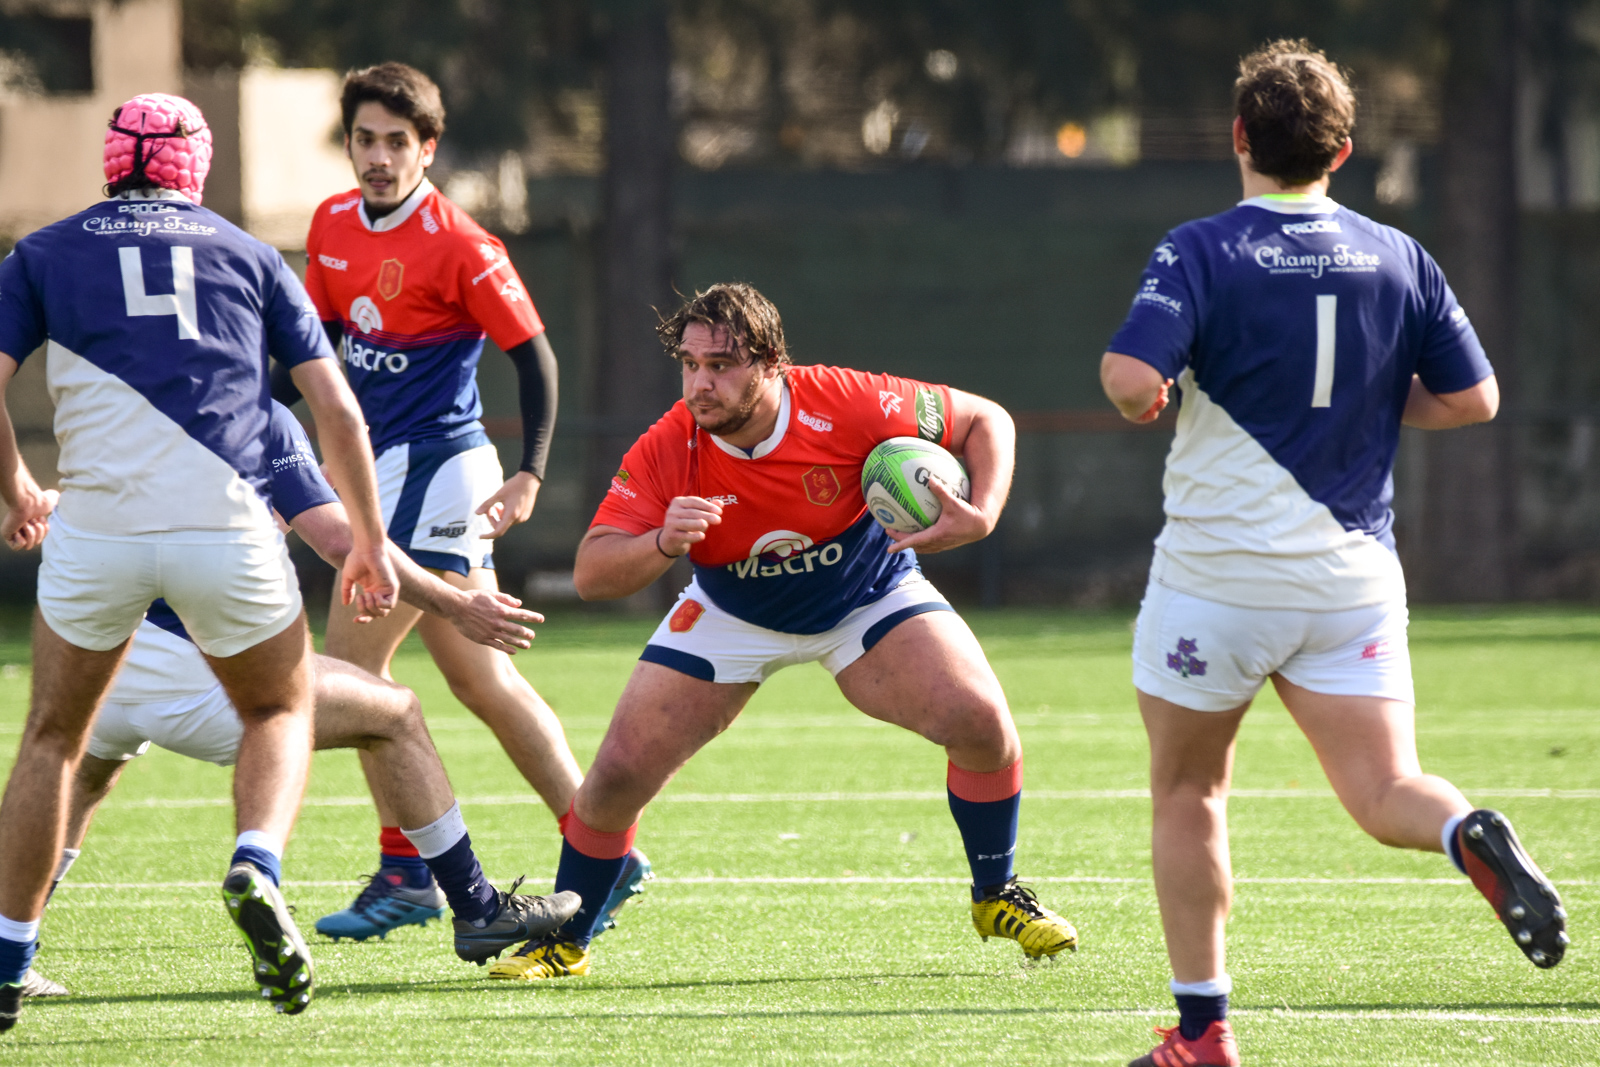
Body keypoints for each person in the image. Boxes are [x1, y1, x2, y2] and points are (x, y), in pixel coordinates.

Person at [1099, 41, 1567, 1067]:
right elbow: (1473, 396)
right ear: (1341, 151)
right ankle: (1463, 830)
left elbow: (1131, 378)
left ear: (1237, 138)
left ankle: (1201, 1033)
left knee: (1188, 793)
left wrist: (1152, 393)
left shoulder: (1200, 248)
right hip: (1350, 579)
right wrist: (1363, 400)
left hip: (1216, 581)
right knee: (1385, 788)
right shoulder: (1400, 257)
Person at [486, 282, 1078, 982]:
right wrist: (661, 546)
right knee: (615, 774)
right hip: (734, 611)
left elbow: (988, 421)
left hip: (866, 594)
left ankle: (995, 893)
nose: (701, 383)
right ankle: (567, 936)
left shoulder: (849, 401)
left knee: (982, 721)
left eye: (722, 364)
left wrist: (982, 511)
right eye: (691, 363)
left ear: (771, 364)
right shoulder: (670, 444)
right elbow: (591, 572)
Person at [0, 92, 397, 1028]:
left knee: (55, 740)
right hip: (226, 531)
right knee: (280, 704)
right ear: (198, 166)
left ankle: (8, 956)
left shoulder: (42, 254)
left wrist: (17, 487)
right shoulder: (253, 255)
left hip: (97, 536)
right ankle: (256, 860)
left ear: (112, 163)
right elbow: (336, 412)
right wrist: (371, 542)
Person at [21, 402, 579, 989]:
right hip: (199, 667)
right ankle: (476, 908)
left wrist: (27, 498)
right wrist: (457, 605)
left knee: (81, 781)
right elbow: (343, 543)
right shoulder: (260, 417)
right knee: (396, 715)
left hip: (100, 657)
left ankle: (14, 950)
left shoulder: (120, 407)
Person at [285, 61, 649, 940]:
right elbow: (318, 354)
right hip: (379, 473)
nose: (378, 158)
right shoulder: (331, 226)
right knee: (478, 676)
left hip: (446, 469)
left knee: (352, 677)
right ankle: (607, 848)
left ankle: (409, 872)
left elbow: (536, 360)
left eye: (396, 143)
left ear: (428, 148)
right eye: (365, 140)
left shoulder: (462, 243)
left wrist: (529, 472)